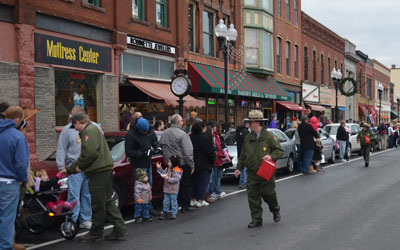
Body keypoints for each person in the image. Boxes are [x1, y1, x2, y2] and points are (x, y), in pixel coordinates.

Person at [66, 114, 126, 242]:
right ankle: (119, 227)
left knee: (98, 202)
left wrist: (78, 167)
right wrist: (71, 169)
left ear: (77, 122)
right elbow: (90, 153)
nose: (75, 129)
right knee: (106, 200)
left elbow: (90, 153)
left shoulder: (89, 131)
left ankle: (96, 232)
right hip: (105, 169)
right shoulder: (94, 129)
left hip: (99, 171)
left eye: (75, 126)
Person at [234, 110, 284, 228]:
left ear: (257, 123)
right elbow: (243, 154)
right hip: (252, 172)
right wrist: (238, 168)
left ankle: (275, 210)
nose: (249, 124)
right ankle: (256, 219)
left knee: (268, 194)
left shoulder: (269, 136)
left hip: (266, 171)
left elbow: (279, 151)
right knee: (253, 197)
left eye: (250, 122)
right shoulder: (248, 138)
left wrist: (271, 156)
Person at [56, 106, 98, 229]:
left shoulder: (94, 128)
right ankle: (71, 221)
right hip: (74, 165)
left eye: (75, 119)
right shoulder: (67, 130)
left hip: (89, 165)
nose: (73, 122)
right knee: (73, 195)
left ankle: (85, 219)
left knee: (87, 193)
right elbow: (61, 148)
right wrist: (60, 166)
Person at [0, 106, 29, 250]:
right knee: (7, 218)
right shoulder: (17, 137)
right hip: (9, 183)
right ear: (17, 120)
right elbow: (21, 164)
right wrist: (23, 179)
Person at [159, 114, 195, 213]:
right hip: (181, 162)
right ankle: (185, 206)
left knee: (171, 186)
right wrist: (191, 165)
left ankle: (172, 206)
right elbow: (188, 151)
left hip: (169, 163)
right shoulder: (182, 134)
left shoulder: (164, 133)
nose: (183, 123)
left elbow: (162, 148)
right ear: (179, 122)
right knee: (185, 185)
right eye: (182, 121)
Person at [125, 117, 160, 214]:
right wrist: (143, 153)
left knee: (149, 186)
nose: (145, 133)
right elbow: (129, 152)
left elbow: (153, 139)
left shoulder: (148, 130)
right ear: (138, 128)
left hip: (147, 162)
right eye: (143, 131)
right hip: (139, 165)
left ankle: (148, 208)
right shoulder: (130, 135)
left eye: (146, 131)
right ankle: (140, 210)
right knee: (140, 188)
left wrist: (157, 146)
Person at [190, 120, 215, 207]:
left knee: (193, 183)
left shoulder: (190, 137)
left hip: (192, 163)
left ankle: (193, 199)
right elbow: (210, 152)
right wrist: (212, 161)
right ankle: (200, 200)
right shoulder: (205, 139)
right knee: (203, 183)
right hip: (204, 164)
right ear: (203, 128)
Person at [157, 155, 183, 220]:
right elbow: (163, 173)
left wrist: (168, 178)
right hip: (166, 189)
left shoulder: (177, 170)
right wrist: (159, 168)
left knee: (173, 202)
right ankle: (165, 212)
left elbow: (176, 179)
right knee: (166, 202)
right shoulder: (168, 169)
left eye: (170, 162)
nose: (168, 163)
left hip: (173, 190)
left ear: (174, 163)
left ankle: (174, 213)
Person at [208, 122, 225, 200]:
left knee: (217, 176)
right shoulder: (213, 137)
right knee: (213, 176)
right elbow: (214, 149)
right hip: (215, 159)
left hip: (218, 159)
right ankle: (212, 192)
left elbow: (219, 147)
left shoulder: (217, 136)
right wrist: (220, 154)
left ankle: (217, 191)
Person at [236, 120, 250, 189]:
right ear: (247, 124)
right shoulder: (246, 132)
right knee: (245, 167)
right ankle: (245, 183)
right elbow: (248, 143)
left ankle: (241, 183)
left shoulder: (238, 131)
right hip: (245, 152)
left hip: (239, 151)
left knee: (241, 168)